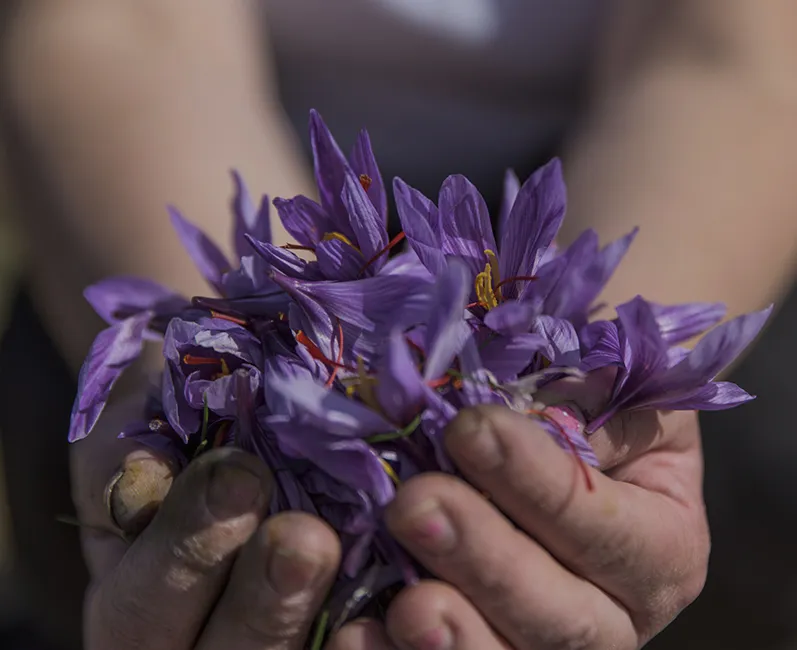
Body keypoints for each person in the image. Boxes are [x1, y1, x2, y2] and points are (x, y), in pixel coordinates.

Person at [1, 0, 796, 648]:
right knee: (88, 434)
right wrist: (205, 360)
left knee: (749, 467)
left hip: (669, 195)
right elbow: (120, 26)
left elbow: (733, 62)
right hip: (208, 181)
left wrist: (586, 387)